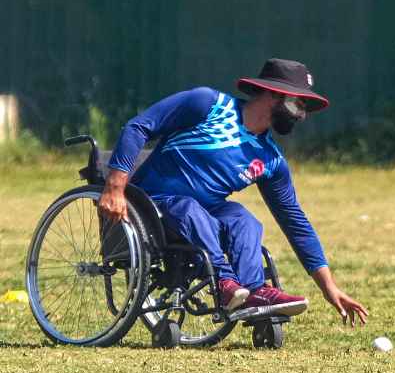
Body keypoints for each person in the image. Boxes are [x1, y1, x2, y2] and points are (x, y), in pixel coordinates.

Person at [98, 58, 368, 325]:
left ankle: (256, 292)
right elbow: (138, 127)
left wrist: (328, 287)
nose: (303, 114)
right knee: (190, 209)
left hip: (202, 215)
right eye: (299, 103)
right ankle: (224, 283)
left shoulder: (271, 159)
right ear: (274, 94)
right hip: (152, 205)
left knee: (243, 218)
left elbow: (295, 222)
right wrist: (115, 187)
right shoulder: (207, 105)